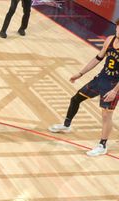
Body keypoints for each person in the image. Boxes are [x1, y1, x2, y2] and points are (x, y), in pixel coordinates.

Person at [49, 20, 119, 157]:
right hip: (100, 79)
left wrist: (115, 91)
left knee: (106, 115)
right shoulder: (110, 40)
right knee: (76, 99)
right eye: (118, 27)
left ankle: (102, 145)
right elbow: (97, 58)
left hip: (113, 85)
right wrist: (80, 73)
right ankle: (66, 125)